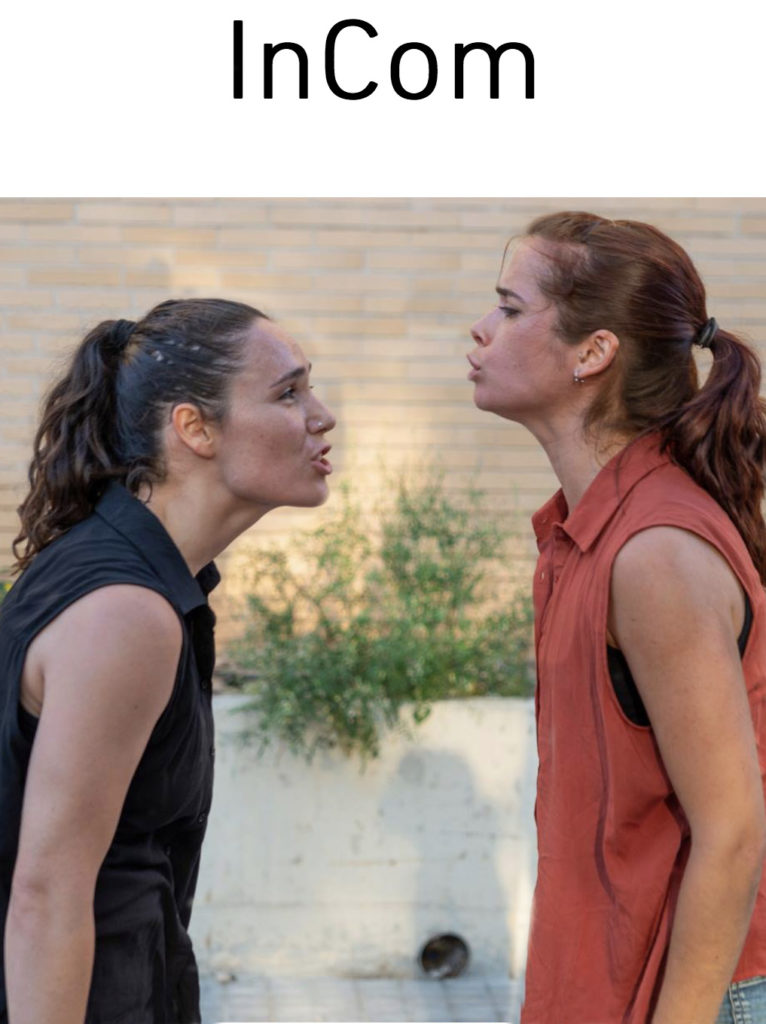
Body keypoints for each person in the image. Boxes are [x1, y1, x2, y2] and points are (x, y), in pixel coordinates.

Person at [0, 298, 335, 1024]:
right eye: (289, 393)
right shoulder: (126, 613)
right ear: (195, 428)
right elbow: (46, 895)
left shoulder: (132, 579)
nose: (322, 416)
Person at [467, 212, 766, 1024]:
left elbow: (735, 833)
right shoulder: (591, 530)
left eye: (510, 307)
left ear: (593, 352)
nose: (481, 328)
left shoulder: (654, 552)